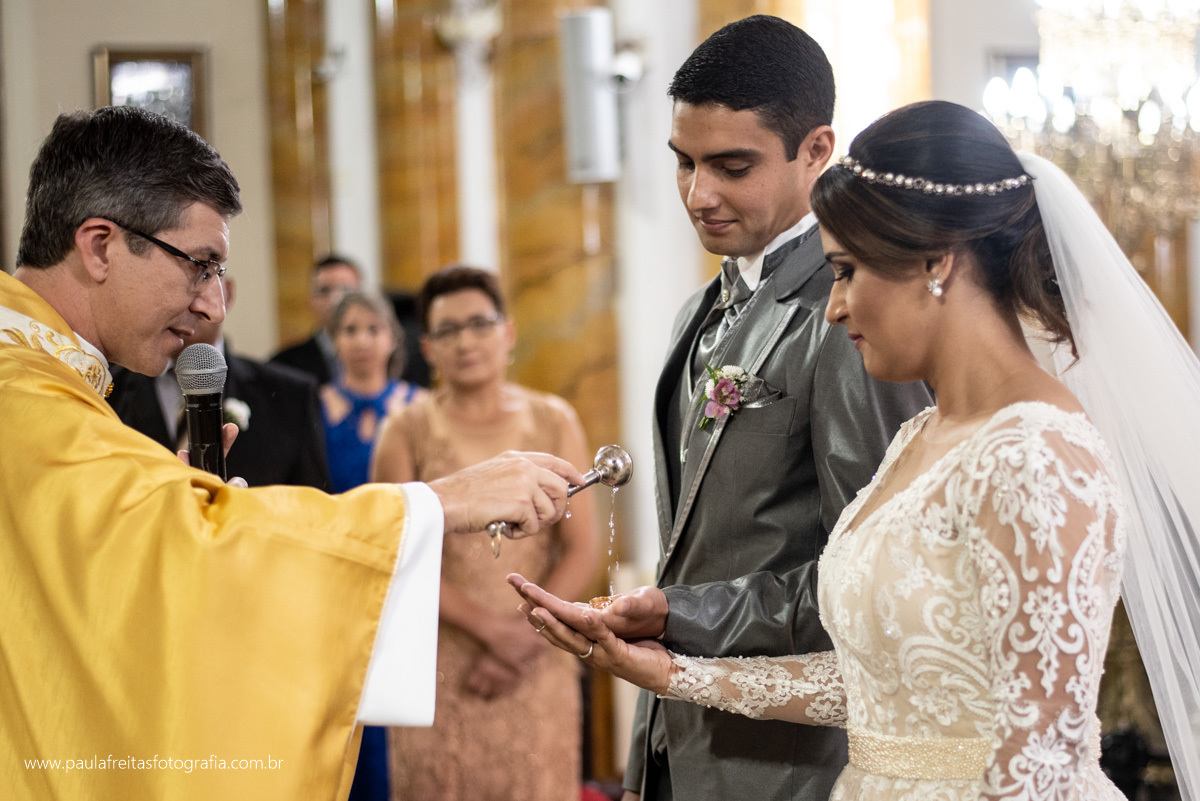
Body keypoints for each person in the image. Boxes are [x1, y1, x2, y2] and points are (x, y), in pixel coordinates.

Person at [512, 100, 1200, 801]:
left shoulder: (1038, 454)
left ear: (936, 263)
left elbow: (1039, 763)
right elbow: (879, 683)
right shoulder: (919, 437)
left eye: (845, 271)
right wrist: (662, 673)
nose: (834, 307)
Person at [0, 106, 583, 801]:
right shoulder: (24, 395)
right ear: (99, 246)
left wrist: (176, 500)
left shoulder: (45, 381)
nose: (214, 304)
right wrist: (440, 500)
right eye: (201, 265)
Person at [601, 15, 933, 801]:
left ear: (816, 149)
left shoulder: (852, 316)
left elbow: (871, 579)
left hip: (790, 765)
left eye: (731, 165)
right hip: (675, 741)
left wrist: (678, 614)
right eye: (683, 162)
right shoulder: (697, 312)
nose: (698, 193)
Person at [372, 265, 599, 801]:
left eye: (479, 323)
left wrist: (524, 635)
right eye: (448, 330)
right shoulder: (404, 431)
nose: (466, 341)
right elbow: (394, 553)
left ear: (508, 332)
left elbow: (582, 546)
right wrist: (492, 635)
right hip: (443, 660)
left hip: (539, 657)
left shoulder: (554, 419)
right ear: (427, 347)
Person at [109, 275, 332, 489]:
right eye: (173, 287)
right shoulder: (108, 392)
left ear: (228, 292)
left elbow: (314, 509)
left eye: (203, 278)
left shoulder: (290, 394)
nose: (187, 302)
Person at [321, 291, 423, 494]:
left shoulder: (419, 402)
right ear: (334, 340)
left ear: (392, 338)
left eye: (373, 330)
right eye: (350, 330)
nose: (362, 342)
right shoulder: (315, 405)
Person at [271, 254, 362, 385]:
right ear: (311, 300)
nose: (335, 299)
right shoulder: (283, 365)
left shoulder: (388, 360)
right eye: (325, 290)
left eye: (346, 290)